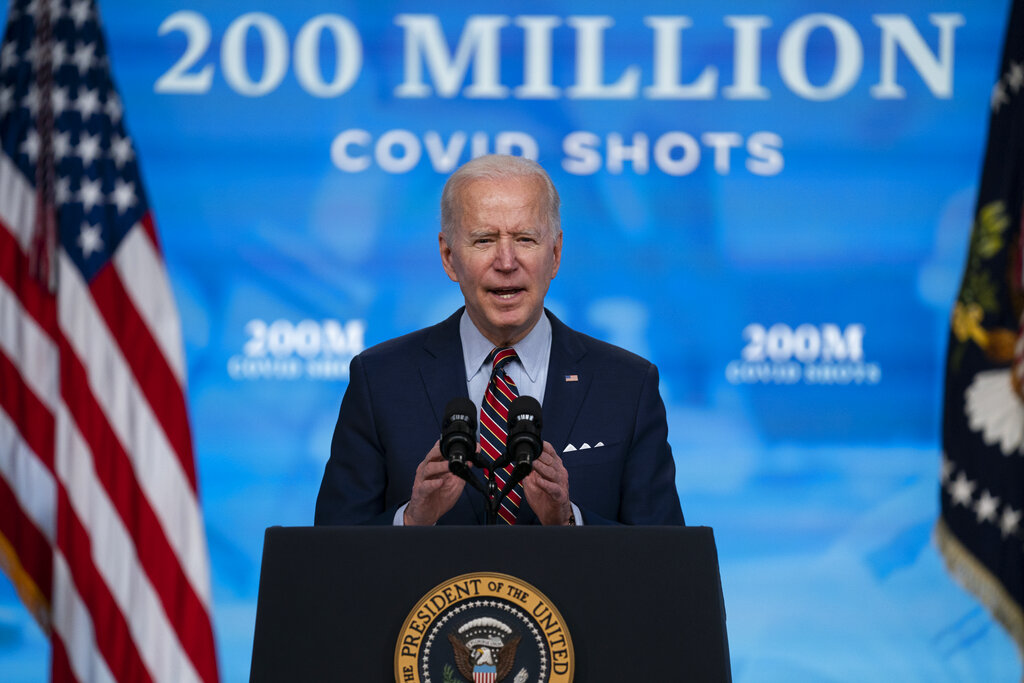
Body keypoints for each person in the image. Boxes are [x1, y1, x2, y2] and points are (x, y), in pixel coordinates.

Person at [314, 155, 684, 526]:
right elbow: (327, 558)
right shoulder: (380, 379)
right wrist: (411, 521)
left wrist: (568, 523)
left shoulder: (627, 385)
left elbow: (667, 564)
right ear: (448, 257)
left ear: (554, 254)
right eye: (484, 240)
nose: (506, 262)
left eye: (525, 239)